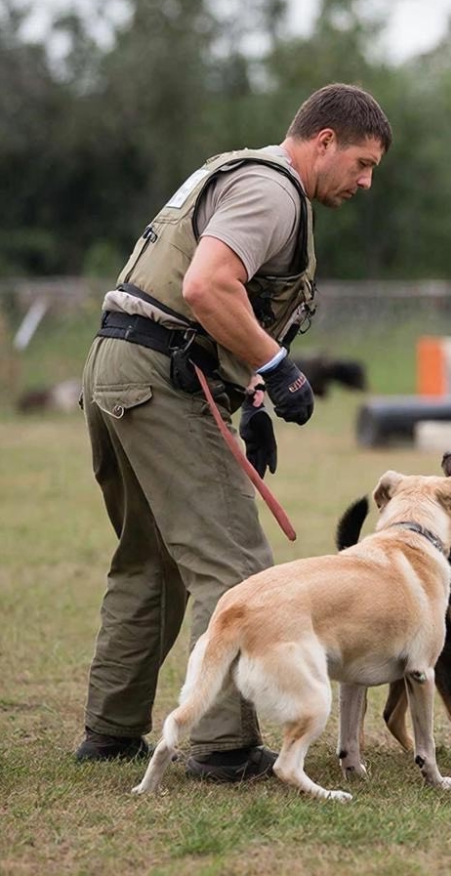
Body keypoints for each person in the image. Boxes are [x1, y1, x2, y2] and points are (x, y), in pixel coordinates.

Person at [74, 83, 392, 782]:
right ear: (324, 142)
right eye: (363, 163)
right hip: (160, 378)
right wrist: (277, 366)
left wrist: (249, 393)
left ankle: (110, 730)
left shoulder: (238, 170)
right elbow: (207, 286)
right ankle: (223, 747)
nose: (365, 182)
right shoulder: (275, 191)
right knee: (235, 566)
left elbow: (209, 297)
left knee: (150, 559)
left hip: (116, 367)